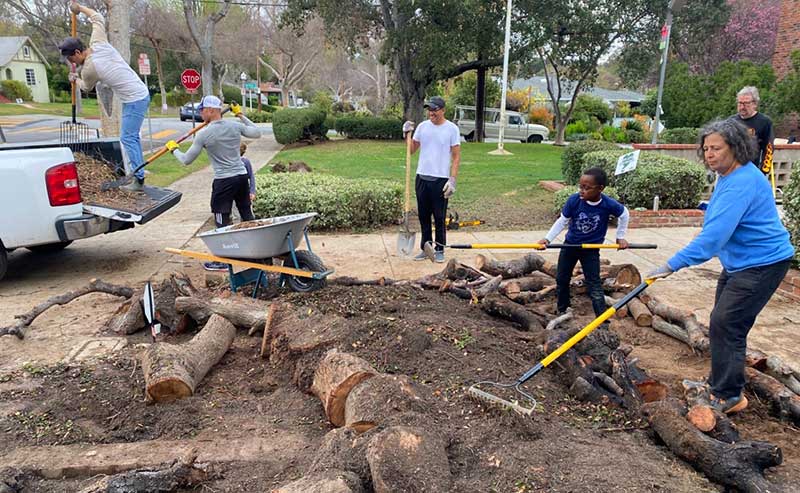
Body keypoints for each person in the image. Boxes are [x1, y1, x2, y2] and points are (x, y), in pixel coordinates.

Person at [646, 119, 794, 415]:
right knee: (721, 323)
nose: (710, 154)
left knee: (728, 324)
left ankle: (729, 394)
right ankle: (718, 383)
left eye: (716, 148)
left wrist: (671, 264)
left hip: (763, 263)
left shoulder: (740, 183)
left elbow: (712, 239)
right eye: (706, 149)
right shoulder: (730, 176)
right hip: (742, 262)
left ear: (735, 147)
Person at [59, 2, 150, 192]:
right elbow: (97, 18)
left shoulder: (91, 69)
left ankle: (139, 179)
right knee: (131, 137)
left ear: (77, 52)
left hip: (135, 99)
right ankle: (138, 172)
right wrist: (79, 8)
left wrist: (75, 79)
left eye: (71, 59)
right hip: (135, 94)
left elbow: (86, 87)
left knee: (127, 138)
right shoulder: (98, 41)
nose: (71, 62)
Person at [166, 95, 261, 271]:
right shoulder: (234, 125)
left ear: (211, 110)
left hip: (224, 181)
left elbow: (186, 160)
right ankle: (258, 254)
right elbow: (256, 132)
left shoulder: (204, 134)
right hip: (241, 177)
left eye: (202, 110)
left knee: (221, 220)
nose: (200, 113)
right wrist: (240, 115)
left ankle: (223, 260)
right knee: (247, 215)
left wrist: (174, 150)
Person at [537, 167, 630, 318]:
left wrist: (620, 237)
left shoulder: (607, 204)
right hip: (570, 246)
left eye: (587, 188)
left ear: (600, 188)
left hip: (591, 250)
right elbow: (562, 221)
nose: (582, 191)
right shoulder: (574, 200)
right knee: (562, 279)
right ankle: (563, 310)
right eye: (580, 186)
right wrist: (547, 239)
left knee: (594, 284)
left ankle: (601, 320)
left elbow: (624, 214)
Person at [402, 96, 461, 263]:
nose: (431, 113)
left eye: (434, 110)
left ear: (442, 110)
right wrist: (406, 134)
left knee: (439, 217)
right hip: (422, 177)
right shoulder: (422, 127)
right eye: (429, 110)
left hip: (440, 180)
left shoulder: (451, 129)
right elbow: (411, 150)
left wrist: (453, 180)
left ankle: (440, 248)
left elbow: (456, 157)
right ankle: (425, 248)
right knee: (424, 216)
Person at [731, 86, 774, 178]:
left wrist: (764, 171)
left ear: (755, 104)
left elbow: (769, 148)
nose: (742, 107)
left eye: (746, 103)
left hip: (754, 171)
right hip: (732, 170)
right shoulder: (731, 122)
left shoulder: (764, 122)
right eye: (740, 103)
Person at [239, 142, 257, 218]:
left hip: (244, 192)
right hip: (233, 192)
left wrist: (252, 191)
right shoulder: (229, 162)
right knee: (236, 216)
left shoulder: (245, 162)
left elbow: (251, 176)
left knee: (248, 214)